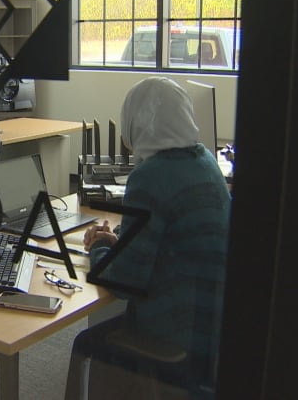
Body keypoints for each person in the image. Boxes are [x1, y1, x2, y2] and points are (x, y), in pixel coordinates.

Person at [65, 77, 231, 399]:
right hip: (216, 325)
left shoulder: (150, 177)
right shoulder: (206, 161)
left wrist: (100, 246)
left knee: (84, 343)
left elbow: (123, 284)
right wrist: (122, 242)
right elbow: (165, 239)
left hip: (177, 333)